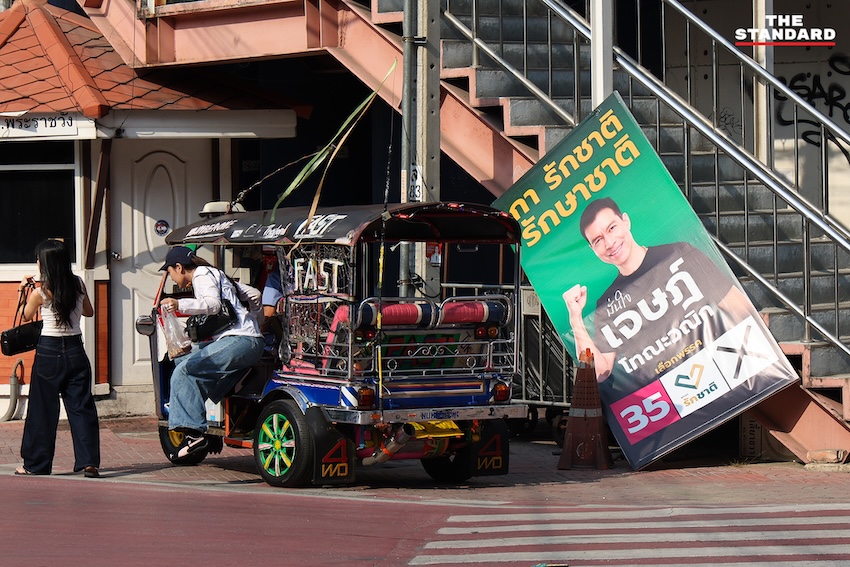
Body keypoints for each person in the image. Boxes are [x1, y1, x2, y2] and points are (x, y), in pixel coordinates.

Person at [562, 197, 755, 397]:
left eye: (611, 228)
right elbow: (599, 373)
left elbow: (741, 310)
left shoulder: (680, 254)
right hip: (669, 407)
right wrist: (575, 319)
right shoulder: (606, 305)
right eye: (598, 240)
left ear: (626, 221)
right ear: (593, 249)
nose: (609, 243)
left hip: (727, 378)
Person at [158, 246, 264, 459]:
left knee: (184, 371)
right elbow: (255, 294)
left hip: (240, 340)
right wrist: (259, 322)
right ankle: (207, 415)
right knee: (182, 360)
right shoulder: (217, 273)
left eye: (169, 271)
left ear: (179, 267)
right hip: (245, 340)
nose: (170, 276)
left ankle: (194, 433)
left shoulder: (201, 275)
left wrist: (180, 303)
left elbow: (213, 305)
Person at [16, 239, 100, 477]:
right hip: (75, 350)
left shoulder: (40, 292)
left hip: (48, 352)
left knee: (43, 409)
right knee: (81, 407)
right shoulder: (78, 284)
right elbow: (89, 312)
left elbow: (25, 316)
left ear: (46, 263)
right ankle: (89, 462)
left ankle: (36, 465)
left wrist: (23, 289)